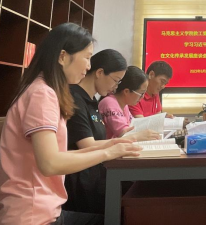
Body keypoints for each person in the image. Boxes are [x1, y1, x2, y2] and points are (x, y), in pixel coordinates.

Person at [0, 23, 141, 226]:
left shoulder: (45, 90)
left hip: (45, 210)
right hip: (32, 215)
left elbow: (59, 155)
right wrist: (108, 153)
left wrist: (111, 145)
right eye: (87, 57)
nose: (88, 66)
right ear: (63, 57)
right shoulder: (42, 94)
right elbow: (50, 164)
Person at [65, 51, 158, 215]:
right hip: (83, 181)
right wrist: (126, 141)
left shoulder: (92, 101)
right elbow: (87, 145)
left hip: (96, 173)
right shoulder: (76, 98)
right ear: (100, 73)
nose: (116, 86)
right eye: (115, 80)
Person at [99, 66, 149, 139]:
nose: (143, 97)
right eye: (141, 93)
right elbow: (124, 133)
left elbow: (132, 126)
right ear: (126, 91)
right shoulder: (109, 103)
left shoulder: (124, 105)